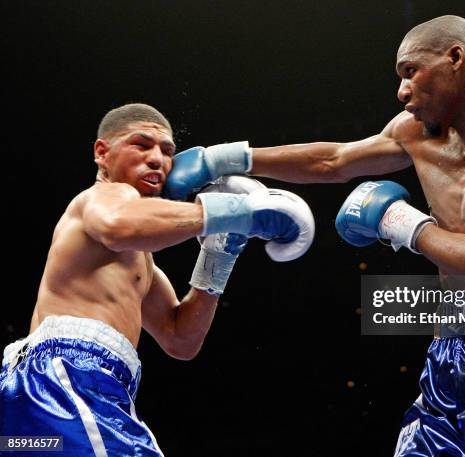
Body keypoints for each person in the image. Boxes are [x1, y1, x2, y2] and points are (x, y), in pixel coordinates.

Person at [163, 15, 465, 456]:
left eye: (410, 72)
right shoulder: (415, 133)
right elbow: (334, 161)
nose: (401, 92)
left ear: (456, 58)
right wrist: (225, 159)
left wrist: (403, 223)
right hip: (456, 341)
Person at [0, 103, 315, 456]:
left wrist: (219, 252)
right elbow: (119, 225)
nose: (157, 159)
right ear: (102, 153)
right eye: (141, 144)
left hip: (53, 389)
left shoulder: (141, 260)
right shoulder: (104, 196)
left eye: (167, 152)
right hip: (65, 378)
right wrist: (239, 214)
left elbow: (181, 339)